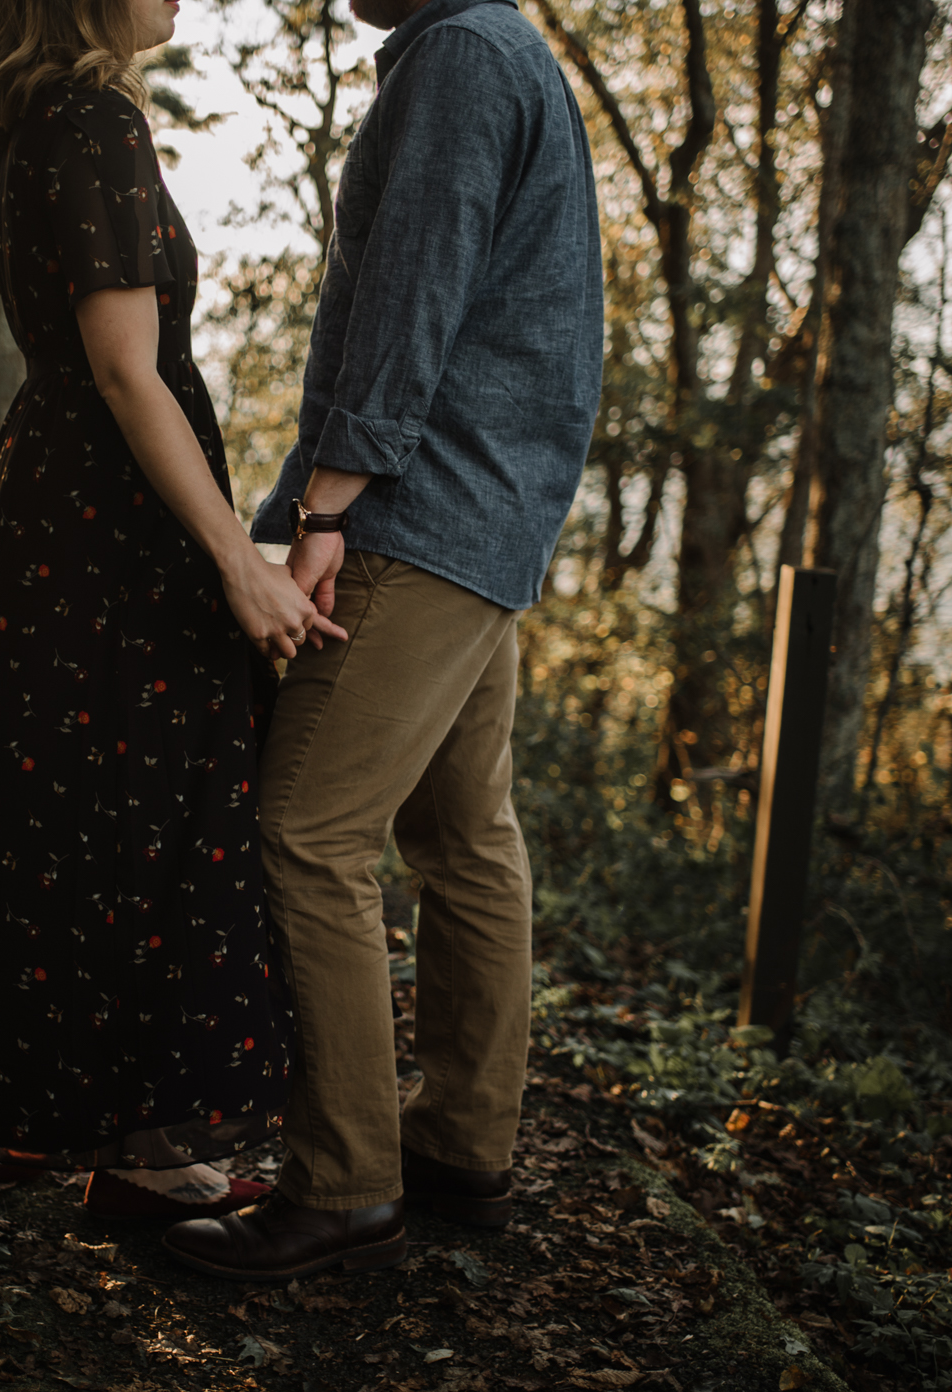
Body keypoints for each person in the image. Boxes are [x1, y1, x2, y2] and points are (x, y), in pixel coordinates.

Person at [0, 0, 347, 1220]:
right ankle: (130, 1149)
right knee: (134, 813)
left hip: (68, 503)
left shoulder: (42, 121)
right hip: (110, 522)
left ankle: (34, 1120)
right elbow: (127, 366)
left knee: (56, 806)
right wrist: (237, 557)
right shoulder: (90, 121)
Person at [162, 0, 603, 1278]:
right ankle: (463, 1143)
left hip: (416, 516)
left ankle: (345, 1178)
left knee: (307, 833)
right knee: (465, 836)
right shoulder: (503, 46)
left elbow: (409, 302)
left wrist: (324, 509)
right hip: (489, 519)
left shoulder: (463, 56)